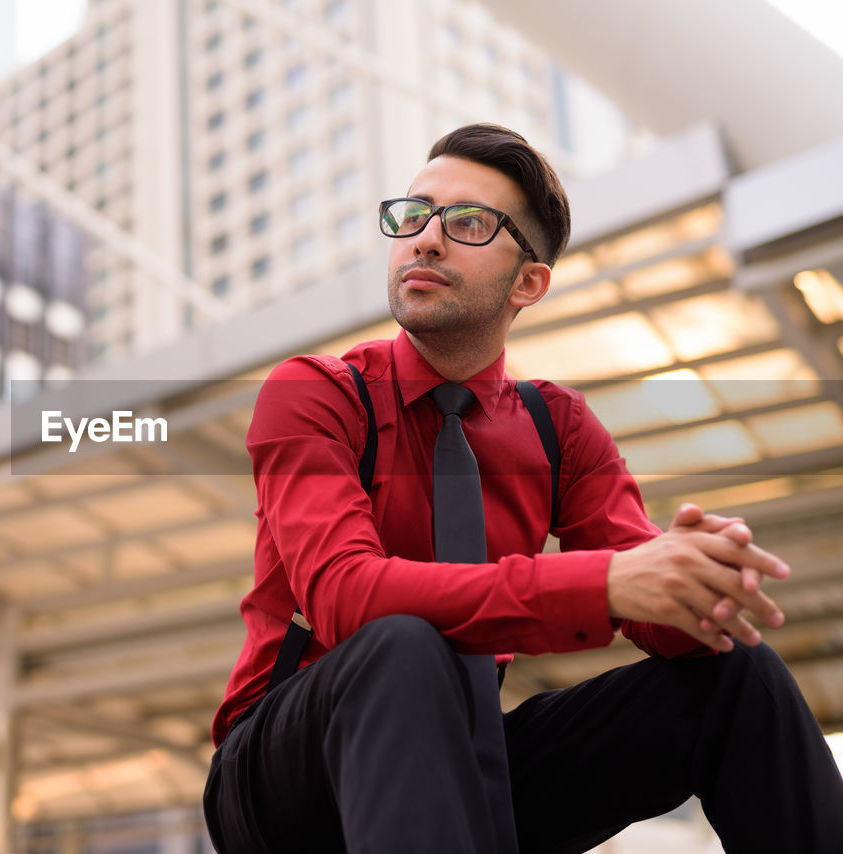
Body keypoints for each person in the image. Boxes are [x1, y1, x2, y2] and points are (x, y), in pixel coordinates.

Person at [202, 123, 843, 854]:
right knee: (400, 646)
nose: (426, 239)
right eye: (414, 214)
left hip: (463, 763)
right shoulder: (317, 394)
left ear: (529, 282)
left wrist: (698, 586)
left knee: (737, 674)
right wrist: (602, 581)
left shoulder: (558, 427)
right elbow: (346, 596)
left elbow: (649, 603)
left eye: (468, 222)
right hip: (284, 779)